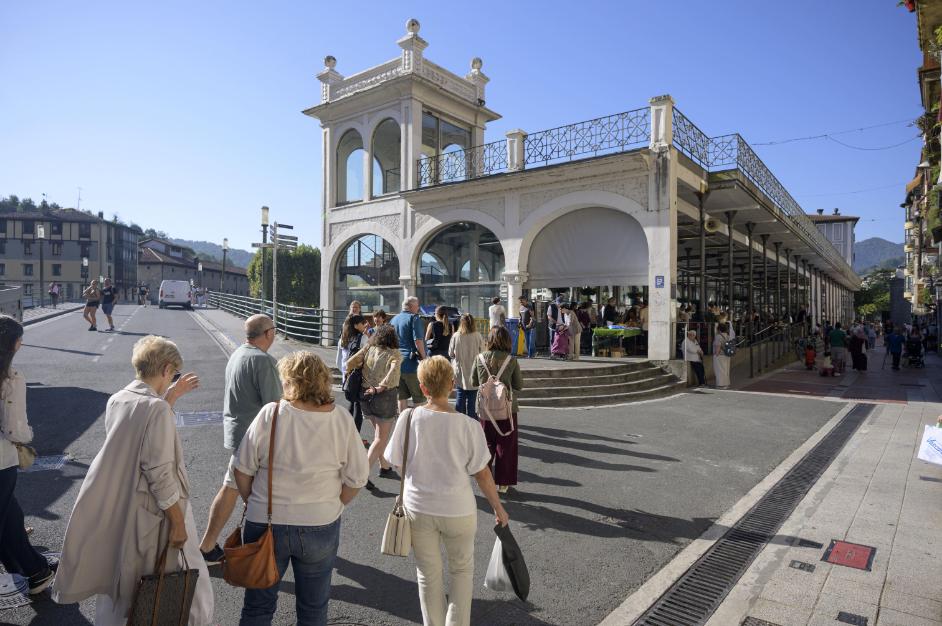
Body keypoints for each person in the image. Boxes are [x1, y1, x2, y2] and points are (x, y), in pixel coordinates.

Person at [52, 336, 213, 624]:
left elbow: (140, 431)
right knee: (180, 590)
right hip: (153, 514)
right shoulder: (157, 409)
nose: (172, 379)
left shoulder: (119, 399)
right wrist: (177, 523)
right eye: (173, 373)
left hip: (121, 507)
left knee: (124, 586)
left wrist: (170, 396)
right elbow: (160, 473)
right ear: (166, 369)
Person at [233, 351, 368, 625]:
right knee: (313, 608)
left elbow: (242, 468)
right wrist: (336, 503)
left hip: (266, 521)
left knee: (258, 607)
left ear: (290, 381)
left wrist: (253, 500)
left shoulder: (271, 414)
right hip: (320, 520)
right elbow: (358, 477)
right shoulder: (341, 419)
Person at [384, 356, 509, 626]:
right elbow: (483, 474)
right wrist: (498, 508)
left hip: (418, 507)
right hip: (458, 509)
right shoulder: (469, 426)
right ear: (452, 385)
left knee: (427, 575)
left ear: (422, 387)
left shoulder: (408, 418)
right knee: (462, 572)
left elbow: (395, 462)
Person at [199, 314, 282, 564]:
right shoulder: (264, 361)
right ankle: (209, 546)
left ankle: (208, 546)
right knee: (236, 489)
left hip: (238, 432)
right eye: (274, 330)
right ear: (268, 333)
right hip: (256, 438)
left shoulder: (238, 354)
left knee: (234, 488)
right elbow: (275, 406)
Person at [0, 316, 56, 595]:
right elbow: (15, 430)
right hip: (1, 463)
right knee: (6, 518)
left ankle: (34, 570)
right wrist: (28, 438)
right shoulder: (10, 378)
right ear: (13, 345)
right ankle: (32, 570)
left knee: (10, 517)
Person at [345, 324, 403, 488]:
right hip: (383, 396)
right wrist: (381, 386)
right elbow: (392, 370)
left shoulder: (369, 347)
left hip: (364, 395)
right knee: (380, 438)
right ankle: (362, 473)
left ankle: (384, 466)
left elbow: (350, 362)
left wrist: (349, 373)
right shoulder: (394, 353)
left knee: (378, 435)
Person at [472, 326, 523, 494]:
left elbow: (473, 381)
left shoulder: (479, 358)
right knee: (506, 445)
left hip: (485, 410)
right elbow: (518, 385)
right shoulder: (511, 360)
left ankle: (484, 479)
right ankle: (503, 483)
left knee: (485, 444)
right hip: (506, 410)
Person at [391, 297, 427, 411]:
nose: (418, 309)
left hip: (396, 364)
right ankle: (417, 426)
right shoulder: (414, 318)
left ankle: (402, 425)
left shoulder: (393, 320)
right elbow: (418, 341)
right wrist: (424, 358)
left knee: (401, 399)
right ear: (411, 307)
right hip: (411, 364)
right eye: (417, 306)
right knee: (419, 399)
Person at [336, 314, 368, 434]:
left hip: (347, 376)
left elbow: (338, 361)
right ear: (355, 325)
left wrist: (345, 373)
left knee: (351, 403)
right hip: (359, 376)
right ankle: (355, 436)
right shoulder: (362, 338)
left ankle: (345, 433)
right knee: (358, 406)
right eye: (362, 323)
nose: (364, 325)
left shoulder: (342, 339)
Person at [449, 314, 485, 419]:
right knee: (472, 397)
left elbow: (450, 353)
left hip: (460, 369)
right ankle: (471, 420)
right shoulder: (477, 335)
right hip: (474, 369)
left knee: (460, 395)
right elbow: (482, 352)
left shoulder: (456, 335)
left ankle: (459, 419)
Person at [713, 322, 732, 389]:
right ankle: (726, 384)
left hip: (720, 355)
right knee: (726, 370)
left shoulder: (718, 336)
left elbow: (718, 346)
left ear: (719, 329)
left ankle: (721, 384)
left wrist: (716, 355)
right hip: (727, 355)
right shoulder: (728, 336)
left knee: (720, 370)